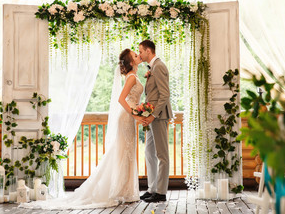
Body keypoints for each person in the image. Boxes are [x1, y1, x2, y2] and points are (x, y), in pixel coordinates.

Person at [20, 49, 144, 210]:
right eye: (135, 55)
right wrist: (134, 114)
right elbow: (121, 99)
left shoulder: (132, 76)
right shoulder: (132, 77)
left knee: (125, 151)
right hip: (127, 118)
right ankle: (121, 190)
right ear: (131, 62)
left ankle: (127, 190)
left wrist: (138, 110)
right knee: (123, 151)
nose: (138, 56)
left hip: (129, 117)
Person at [139, 40, 173, 203]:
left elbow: (164, 95)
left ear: (148, 51)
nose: (139, 54)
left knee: (162, 155)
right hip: (152, 115)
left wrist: (152, 115)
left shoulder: (159, 66)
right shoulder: (152, 67)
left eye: (141, 51)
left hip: (159, 116)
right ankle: (152, 188)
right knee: (148, 152)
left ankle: (161, 192)